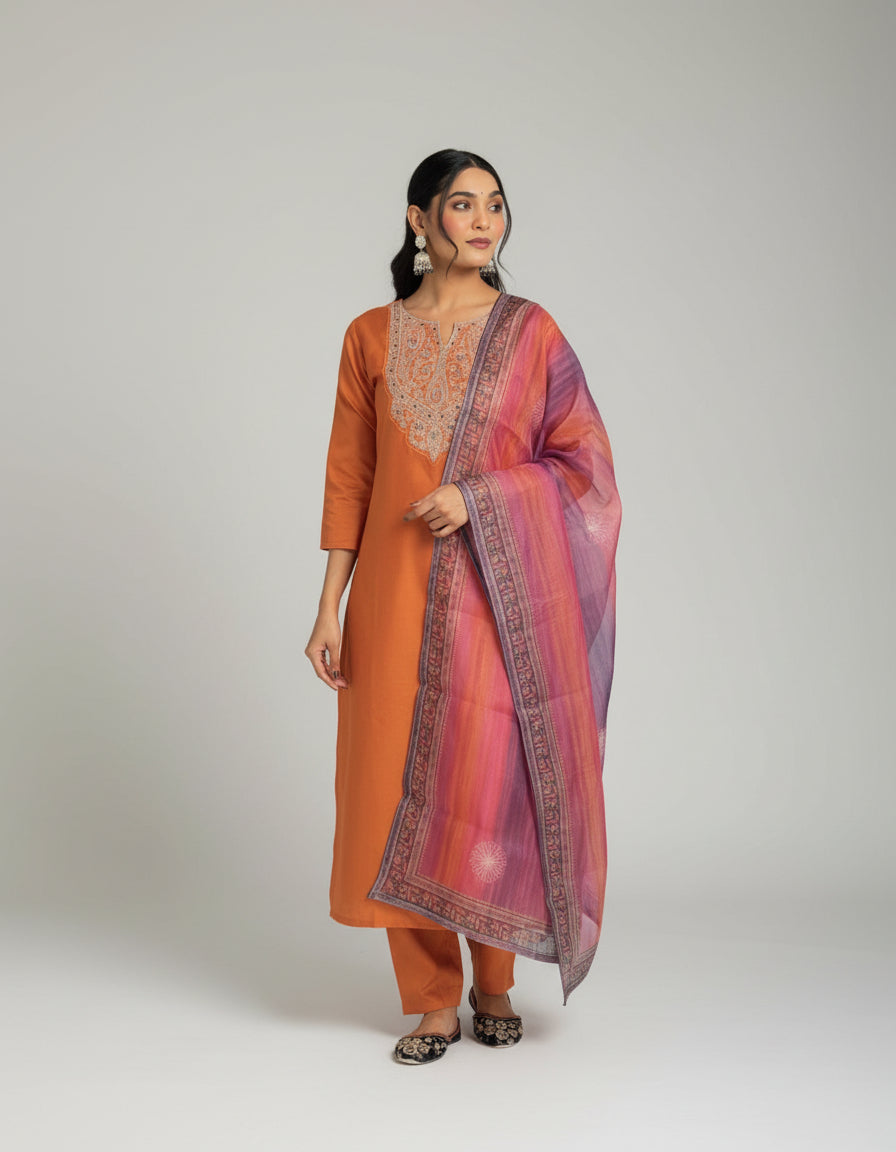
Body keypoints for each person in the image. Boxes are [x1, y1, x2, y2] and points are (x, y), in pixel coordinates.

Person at [306, 149, 622, 1065]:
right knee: (393, 792)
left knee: (486, 784)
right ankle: (431, 999)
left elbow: (582, 467)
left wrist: (477, 498)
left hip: (495, 596)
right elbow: (348, 482)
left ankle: (493, 983)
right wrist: (329, 606)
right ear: (419, 220)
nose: (484, 222)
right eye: (462, 206)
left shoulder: (531, 333)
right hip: (391, 600)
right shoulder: (370, 335)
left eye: (496, 206)